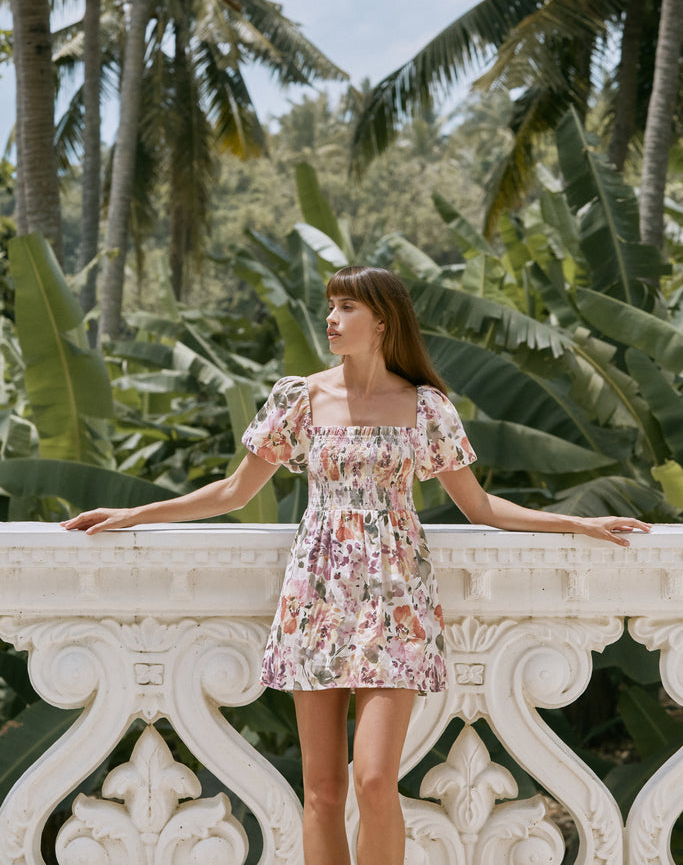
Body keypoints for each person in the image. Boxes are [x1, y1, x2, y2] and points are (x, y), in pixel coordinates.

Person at [63, 265, 651, 865]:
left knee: (374, 780)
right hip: (317, 596)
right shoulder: (300, 398)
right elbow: (232, 492)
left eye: (347, 308)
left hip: (397, 602)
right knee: (321, 790)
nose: (331, 319)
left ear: (383, 321)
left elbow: (479, 506)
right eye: (330, 307)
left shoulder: (426, 408)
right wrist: (134, 514)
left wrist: (577, 522)